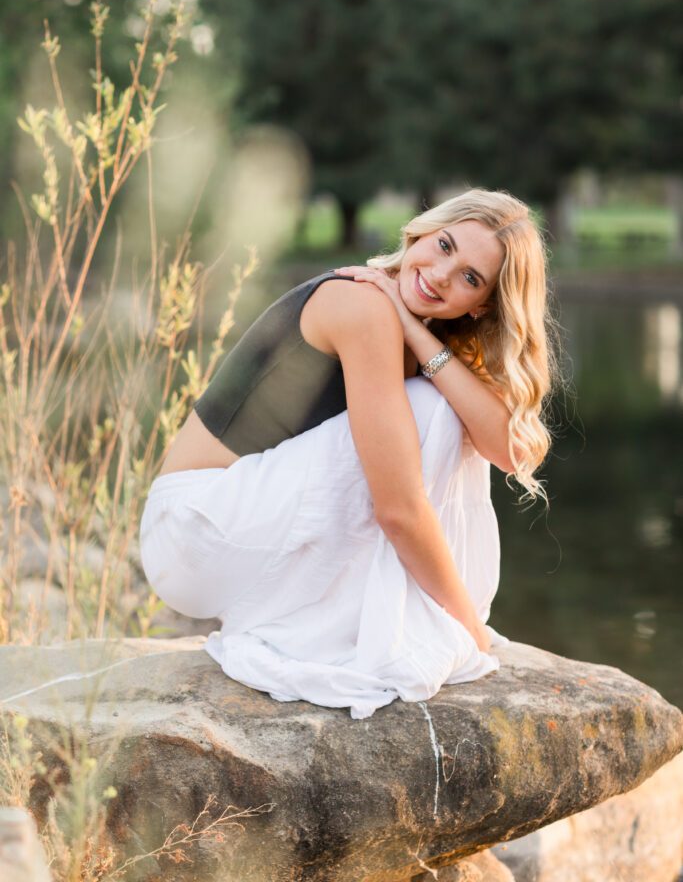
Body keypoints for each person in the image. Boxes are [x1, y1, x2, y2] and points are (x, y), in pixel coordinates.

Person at [139, 187, 557, 719]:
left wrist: (421, 339)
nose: (442, 273)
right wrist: (469, 629)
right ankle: (425, 622)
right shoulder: (360, 305)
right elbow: (398, 510)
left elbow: (511, 450)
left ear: (484, 306)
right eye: (445, 245)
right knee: (431, 409)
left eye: (471, 278)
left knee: (441, 399)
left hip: (222, 542)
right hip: (190, 532)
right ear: (423, 230)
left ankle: (393, 622)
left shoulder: (406, 321)